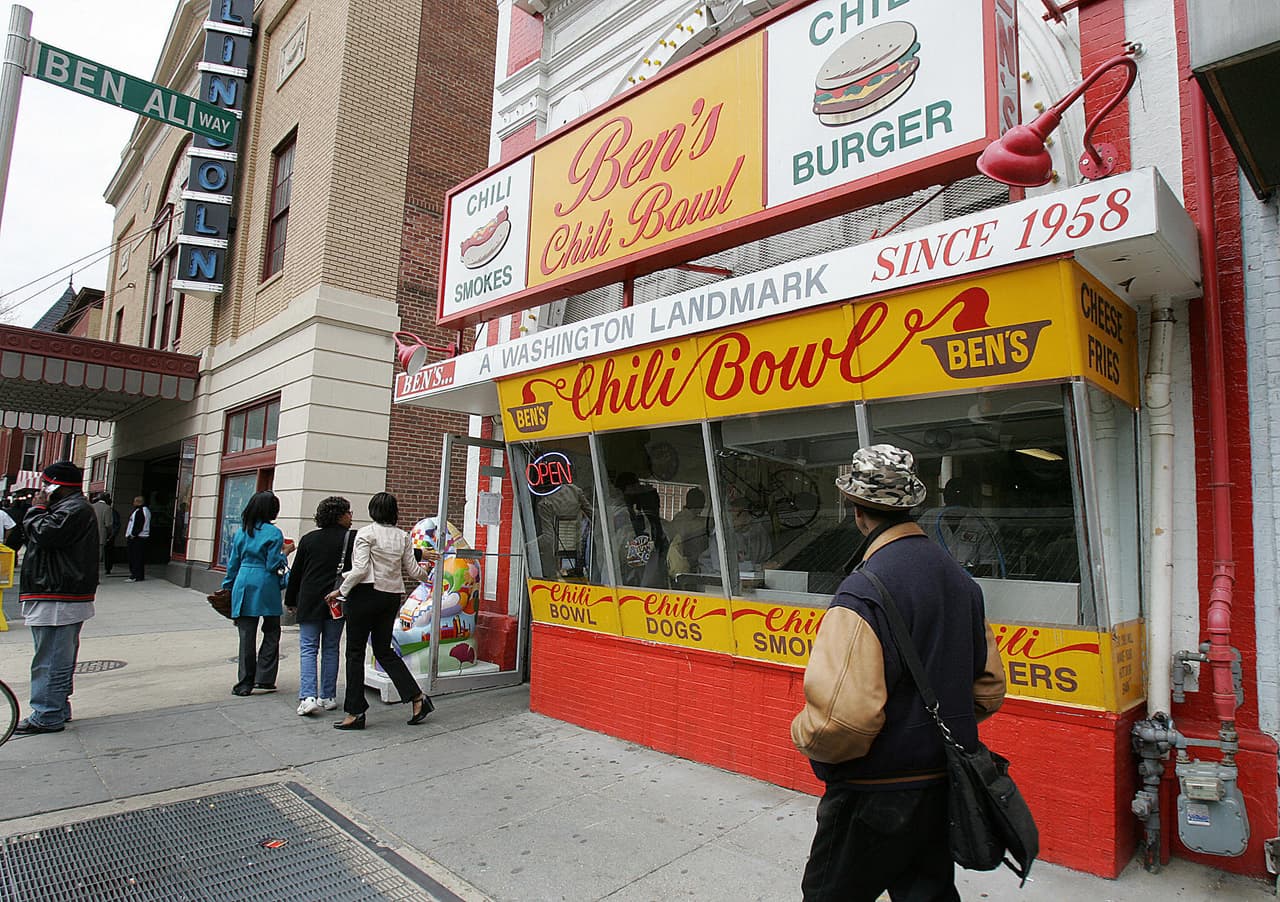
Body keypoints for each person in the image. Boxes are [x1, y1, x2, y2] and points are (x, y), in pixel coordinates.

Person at [791, 445, 1006, 901]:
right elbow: (987, 691)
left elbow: (841, 721)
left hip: (872, 796)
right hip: (941, 787)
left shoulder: (862, 592)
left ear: (856, 512)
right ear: (911, 504)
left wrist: (803, 734)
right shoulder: (961, 583)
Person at [326, 491, 434, 730]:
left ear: (372, 510)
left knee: (355, 653)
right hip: (391, 596)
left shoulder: (366, 533)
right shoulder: (403, 536)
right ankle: (417, 698)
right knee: (384, 651)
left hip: (364, 596)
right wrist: (429, 577)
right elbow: (414, 571)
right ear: (394, 512)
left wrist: (340, 591)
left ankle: (356, 712)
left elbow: (360, 569)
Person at [14, 461, 99, 734]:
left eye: (46, 485)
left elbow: (44, 533)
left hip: (58, 593)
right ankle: (55, 706)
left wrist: (36, 508)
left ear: (56, 487)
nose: (41, 491)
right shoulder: (71, 508)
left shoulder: (74, 509)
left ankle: (48, 712)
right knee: (56, 656)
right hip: (57, 592)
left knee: (50, 658)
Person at [221, 490, 293, 697]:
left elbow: (232, 563)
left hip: (243, 581)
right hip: (266, 584)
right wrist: (285, 553)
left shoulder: (242, 532)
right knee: (271, 631)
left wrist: (227, 587)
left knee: (246, 635)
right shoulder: (273, 533)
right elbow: (273, 564)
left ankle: (244, 682)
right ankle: (265, 677)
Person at [285, 496, 352, 715]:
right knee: (331, 647)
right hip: (337, 601)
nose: (351, 516)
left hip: (310, 599)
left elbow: (297, 573)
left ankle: (308, 696)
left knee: (308, 648)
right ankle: (328, 695)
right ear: (339, 515)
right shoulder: (351, 539)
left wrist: (290, 600)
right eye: (348, 512)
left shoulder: (308, 539)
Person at [919, 476, 1006, 578]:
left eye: (960, 493)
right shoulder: (929, 519)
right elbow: (915, 553)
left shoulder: (984, 525)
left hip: (972, 582)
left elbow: (991, 565)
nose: (956, 497)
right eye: (952, 493)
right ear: (945, 496)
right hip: (932, 580)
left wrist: (959, 573)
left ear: (969, 496)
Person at [125, 495, 151, 582]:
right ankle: (139, 575)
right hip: (141, 537)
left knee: (135, 557)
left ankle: (135, 575)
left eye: (134, 501)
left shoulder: (140, 511)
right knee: (139, 557)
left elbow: (138, 525)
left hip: (138, 538)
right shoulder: (145, 511)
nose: (133, 503)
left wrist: (132, 535)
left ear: (138, 502)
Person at [91, 493, 119, 574]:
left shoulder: (92, 506)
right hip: (101, 536)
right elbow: (108, 524)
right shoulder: (107, 508)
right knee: (97, 558)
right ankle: (94, 576)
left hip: (90, 535)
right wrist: (109, 535)